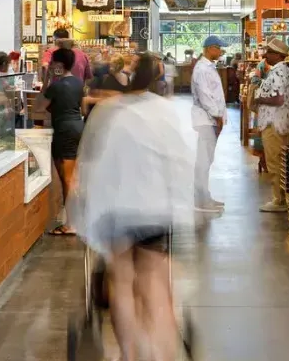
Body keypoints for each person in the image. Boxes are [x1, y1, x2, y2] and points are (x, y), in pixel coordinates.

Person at [74, 53, 194, 361]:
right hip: (155, 210)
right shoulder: (166, 113)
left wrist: (84, 212)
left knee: (122, 280)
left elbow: (92, 163)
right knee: (155, 281)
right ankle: (162, 352)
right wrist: (182, 209)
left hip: (118, 210)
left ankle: (129, 353)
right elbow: (180, 163)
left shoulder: (111, 111)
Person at [36, 48, 85, 236]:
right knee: (72, 178)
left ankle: (71, 224)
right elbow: (80, 107)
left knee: (67, 180)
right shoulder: (78, 83)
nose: (51, 66)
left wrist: (47, 80)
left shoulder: (56, 86)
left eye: (53, 63)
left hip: (64, 131)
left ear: (59, 65)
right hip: (77, 127)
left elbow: (39, 107)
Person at [255, 38, 289, 212]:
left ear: (278, 55)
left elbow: (278, 99)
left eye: (269, 52)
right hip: (280, 122)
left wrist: (259, 98)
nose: (265, 55)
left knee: (275, 162)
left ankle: (279, 200)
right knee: (280, 161)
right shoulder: (283, 70)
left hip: (274, 123)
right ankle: (281, 198)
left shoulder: (278, 72)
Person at [191, 36, 227, 213]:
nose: (221, 52)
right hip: (207, 120)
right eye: (219, 48)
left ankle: (204, 196)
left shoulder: (208, 67)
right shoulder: (202, 69)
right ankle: (200, 200)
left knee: (207, 159)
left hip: (211, 120)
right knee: (204, 160)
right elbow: (205, 96)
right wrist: (217, 115)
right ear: (210, 48)